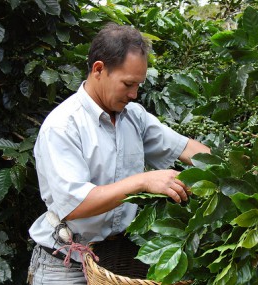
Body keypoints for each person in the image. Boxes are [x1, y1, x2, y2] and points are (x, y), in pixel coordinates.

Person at [27, 23, 210, 284]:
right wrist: (143, 181)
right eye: (128, 84)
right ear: (99, 69)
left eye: (139, 85)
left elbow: (186, 148)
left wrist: (240, 171)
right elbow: (75, 204)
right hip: (64, 265)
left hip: (117, 260)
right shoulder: (63, 126)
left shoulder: (133, 117)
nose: (134, 94)